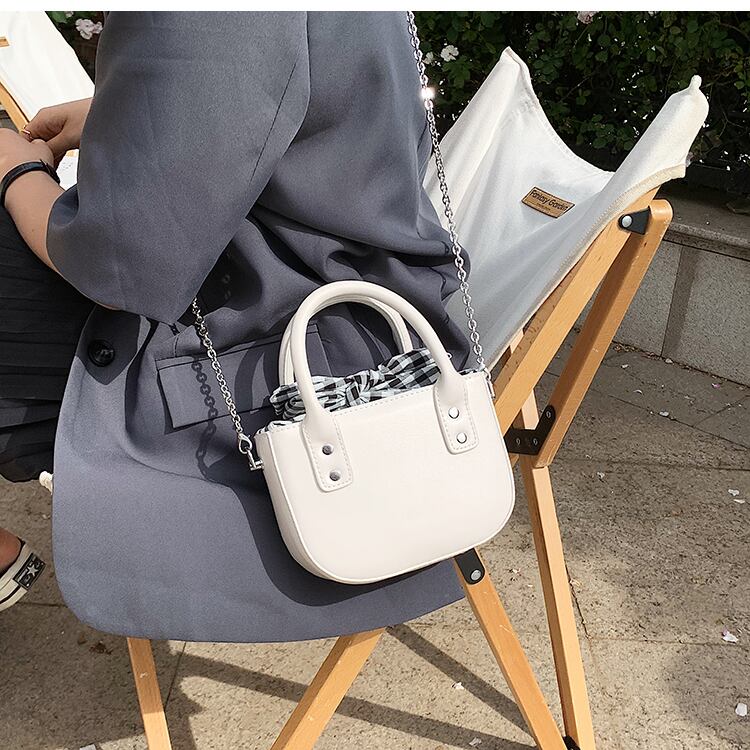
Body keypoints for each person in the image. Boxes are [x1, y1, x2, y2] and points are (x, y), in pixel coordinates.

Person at [0, 11, 471, 641]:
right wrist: (136, 112)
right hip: (365, 308)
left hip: (278, 358)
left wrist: (17, 172)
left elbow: (120, 266)